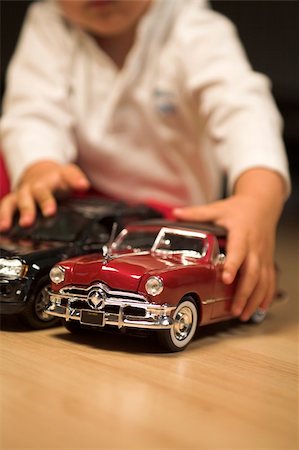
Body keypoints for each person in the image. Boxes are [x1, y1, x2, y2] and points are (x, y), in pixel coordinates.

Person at [0, 0, 290, 323]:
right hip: (81, 202)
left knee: (234, 239)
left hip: (169, 218)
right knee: (11, 163)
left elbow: (243, 108)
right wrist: (39, 166)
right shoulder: (49, 23)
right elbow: (32, 112)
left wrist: (258, 197)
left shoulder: (193, 26)